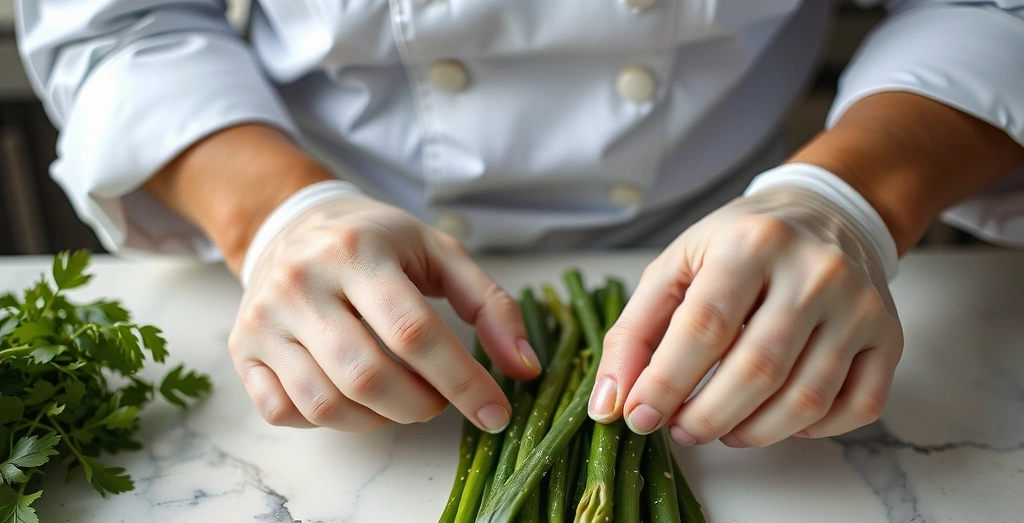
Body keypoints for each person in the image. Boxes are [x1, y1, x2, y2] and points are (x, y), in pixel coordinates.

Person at [15, 1, 1024, 447]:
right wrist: (281, 214)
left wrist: (845, 200)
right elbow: (116, 21)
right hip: (339, 232)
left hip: (734, 234)